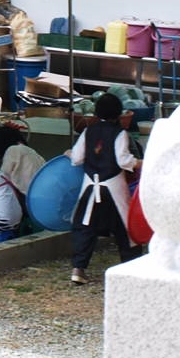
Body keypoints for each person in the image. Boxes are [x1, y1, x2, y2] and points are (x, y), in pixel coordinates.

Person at [67, 94, 141, 285]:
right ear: (118, 113)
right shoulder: (120, 133)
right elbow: (123, 161)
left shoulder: (88, 131)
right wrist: (140, 163)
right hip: (114, 187)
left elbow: (77, 158)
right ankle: (131, 268)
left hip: (90, 186)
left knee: (85, 228)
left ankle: (78, 269)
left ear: (97, 112)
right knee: (124, 228)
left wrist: (69, 154)